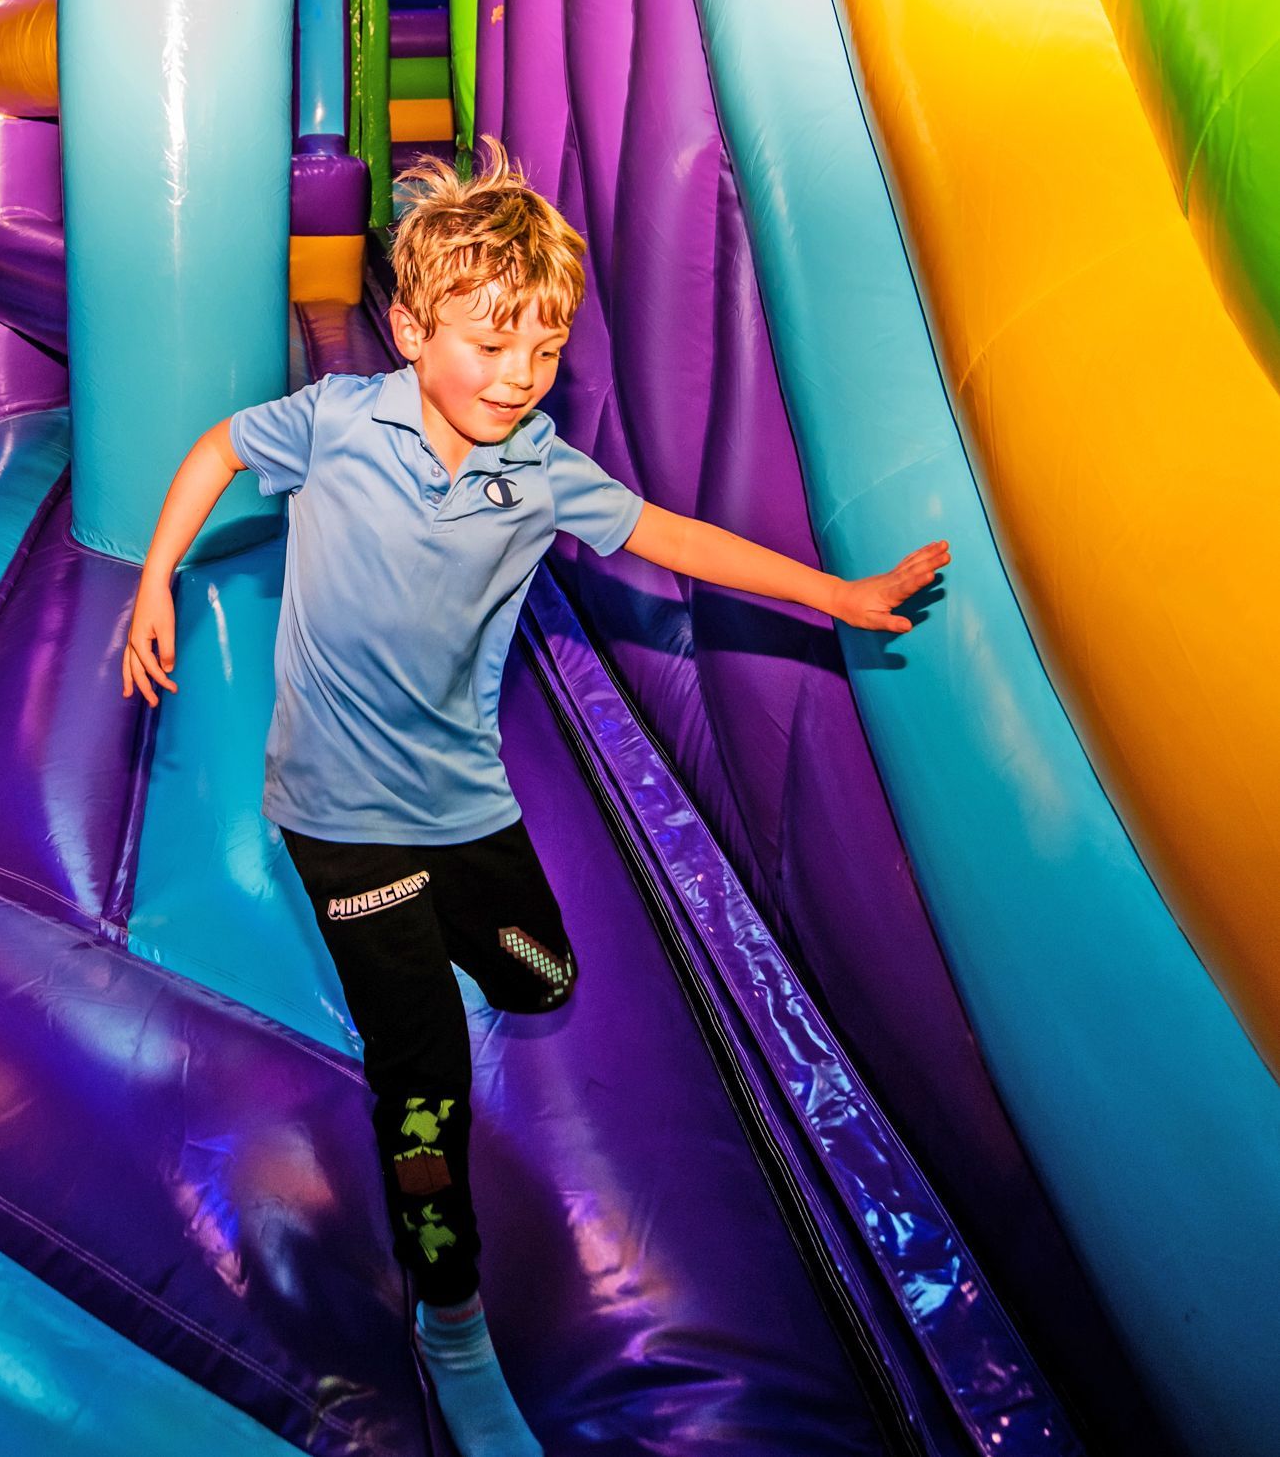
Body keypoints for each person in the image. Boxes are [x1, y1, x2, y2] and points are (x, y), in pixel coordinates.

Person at [121, 141, 949, 1457]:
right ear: (411, 331)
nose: (518, 374)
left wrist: (833, 593)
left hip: (463, 801)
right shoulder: (339, 421)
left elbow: (672, 536)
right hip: (338, 818)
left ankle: (454, 954)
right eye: (491, 342)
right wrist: (156, 575)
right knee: (424, 1082)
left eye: (543, 348)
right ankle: (451, 1324)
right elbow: (219, 446)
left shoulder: (541, 466)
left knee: (540, 975)